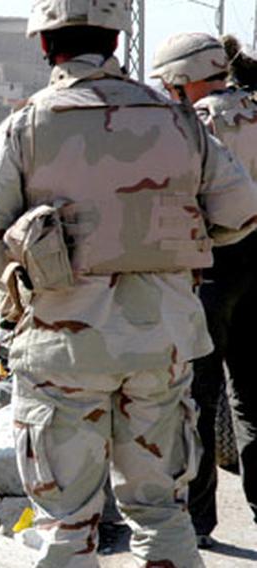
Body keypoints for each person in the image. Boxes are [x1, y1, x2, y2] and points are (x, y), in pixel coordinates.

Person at [0, 2, 257, 566]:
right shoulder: (178, 119)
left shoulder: (25, 127)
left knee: (69, 521)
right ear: (115, 38)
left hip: (65, 352)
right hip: (162, 345)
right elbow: (240, 215)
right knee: (161, 514)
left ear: (44, 46)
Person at [151, 32, 257, 549]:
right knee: (254, 403)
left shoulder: (194, 125)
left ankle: (198, 522)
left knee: (196, 400)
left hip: (210, 271)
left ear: (186, 78)